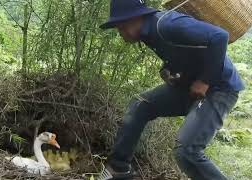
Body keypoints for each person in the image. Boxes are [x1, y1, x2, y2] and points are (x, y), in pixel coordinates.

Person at [98, 0, 245, 179]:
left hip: (219, 89)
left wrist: (204, 81)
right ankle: (119, 169)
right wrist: (168, 72)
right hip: (190, 86)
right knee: (140, 105)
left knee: (186, 152)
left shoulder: (168, 25)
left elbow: (220, 36)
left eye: (120, 26)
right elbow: (182, 54)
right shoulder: (149, 34)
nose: (120, 33)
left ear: (135, 19)